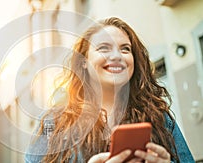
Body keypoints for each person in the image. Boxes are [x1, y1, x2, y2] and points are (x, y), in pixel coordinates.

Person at [24, 17, 194, 163]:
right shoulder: (54, 122)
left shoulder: (159, 116)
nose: (117, 56)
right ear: (84, 60)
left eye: (125, 49)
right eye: (104, 48)